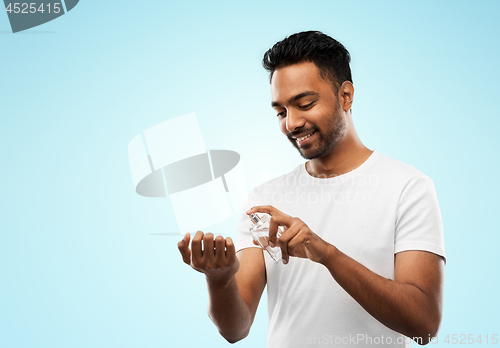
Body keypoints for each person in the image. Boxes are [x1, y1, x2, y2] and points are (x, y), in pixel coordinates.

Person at [178, 31, 446, 347]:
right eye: (280, 112)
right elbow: (235, 329)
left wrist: (326, 254)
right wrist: (219, 280)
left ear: (345, 96)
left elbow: (424, 326)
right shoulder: (264, 201)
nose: (291, 123)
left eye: (304, 103)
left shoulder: (408, 187)